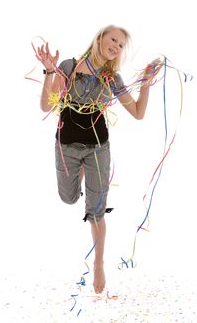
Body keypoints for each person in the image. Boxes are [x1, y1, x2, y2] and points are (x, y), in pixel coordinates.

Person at [37, 25, 159, 294]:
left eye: (121, 45)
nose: (116, 45)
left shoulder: (112, 79)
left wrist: (147, 83)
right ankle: (79, 174)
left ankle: (99, 263)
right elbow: (48, 105)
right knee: (68, 198)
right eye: (113, 39)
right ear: (100, 37)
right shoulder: (69, 66)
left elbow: (138, 113)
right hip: (66, 146)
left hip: (97, 148)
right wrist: (49, 71)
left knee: (95, 211)